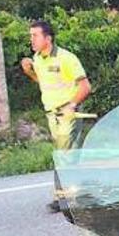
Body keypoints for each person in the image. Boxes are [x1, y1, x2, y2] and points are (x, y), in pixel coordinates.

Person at [20, 20, 92, 212]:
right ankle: (81, 192)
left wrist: (71, 105)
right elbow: (43, 82)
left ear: (48, 38)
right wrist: (29, 72)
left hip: (68, 114)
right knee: (67, 155)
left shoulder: (66, 58)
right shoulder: (38, 59)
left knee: (64, 156)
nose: (31, 40)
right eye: (31, 36)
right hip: (52, 114)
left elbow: (85, 87)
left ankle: (65, 199)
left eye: (35, 35)